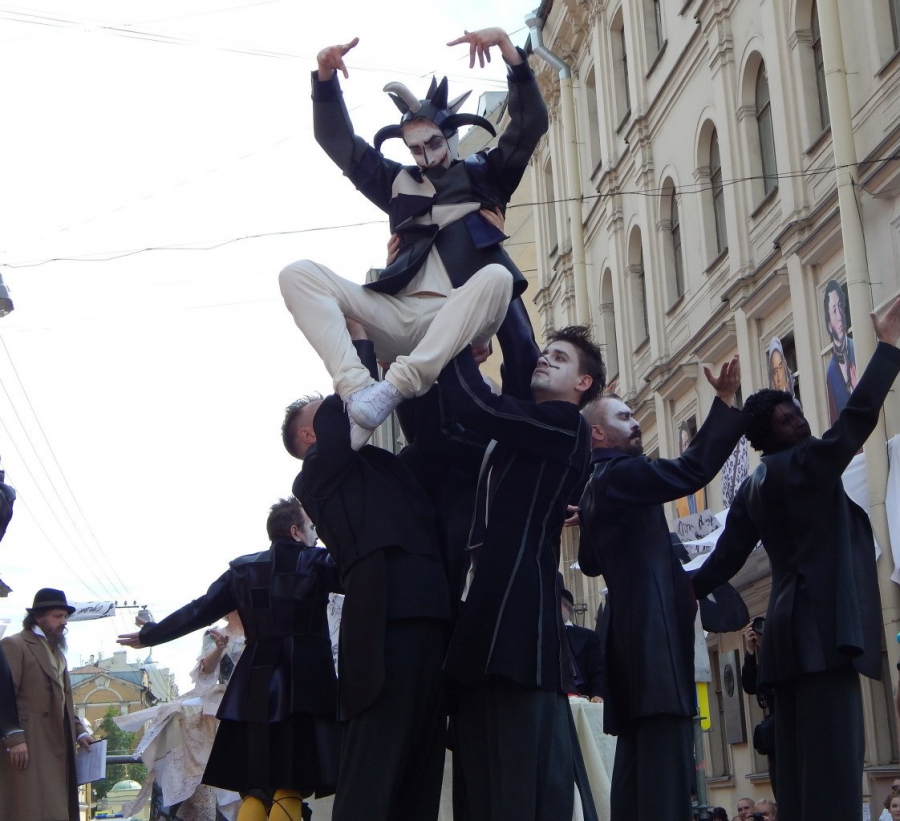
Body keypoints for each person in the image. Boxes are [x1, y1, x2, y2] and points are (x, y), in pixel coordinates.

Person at [278, 26, 546, 443]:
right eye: (415, 149)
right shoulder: (398, 185)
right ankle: (359, 393)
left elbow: (529, 124)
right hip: (403, 317)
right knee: (297, 274)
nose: (427, 157)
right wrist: (325, 77)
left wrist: (507, 48)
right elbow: (338, 142)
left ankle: (394, 388)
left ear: (451, 136)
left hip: (463, 311)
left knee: (498, 277)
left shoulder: (485, 173)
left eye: (434, 144)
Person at [692, 296, 900, 821]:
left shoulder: (753, 486)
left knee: (799, 773)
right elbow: (855, 420)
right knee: (835, 767)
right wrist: (888, 347)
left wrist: (675, 589)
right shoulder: (805, 463)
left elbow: (722, 561)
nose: (803, 421)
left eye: (800, 413)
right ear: (770, 432)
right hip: (822, 635)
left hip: (785, 641)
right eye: (791, 418)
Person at [435, 325, 605, 821]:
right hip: (488, 616)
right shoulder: (527, 427)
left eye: (560, 358)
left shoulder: (565, 423)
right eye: (545, 353)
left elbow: (481, 408)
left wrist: (455, 340)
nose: (545, 360)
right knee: (482, 779)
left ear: (583, 384)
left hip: (518, 624)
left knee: (513, 778)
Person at [284, 340, 451, 821]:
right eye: (326, 411)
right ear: (309, 435)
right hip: (385, 622)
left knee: (421, 766)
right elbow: (343, 410)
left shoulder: (386, 464)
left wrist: (435, 360)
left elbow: (432, 439)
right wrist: (360, 341)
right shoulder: (314, 476)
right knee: (374, 767)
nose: (348, 406)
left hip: (432, 611)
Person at [576, 356, 744, 821]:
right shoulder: (623, 474)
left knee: (635, 782)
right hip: (655, 646)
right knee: (666, 787)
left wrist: (589, 518)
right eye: (624, 416)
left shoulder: (593, 487)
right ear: (597, 433)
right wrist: (724, 402)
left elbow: (589, 564)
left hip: (626, 651)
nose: (635, 422)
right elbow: (692, 470)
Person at [118, 498, 342, 821]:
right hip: (306, 686)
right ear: (295, 532)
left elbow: (198, 610)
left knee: (256, 789)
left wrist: (152, 634)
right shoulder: (318, 562)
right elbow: (363, 573)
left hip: (253, 688)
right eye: (311, 527)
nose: (316, 535)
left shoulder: (242, 570)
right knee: (292, 784)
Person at [0, 588, 94, 821]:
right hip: (29, 743)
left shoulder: (57, 652)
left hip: (57, 743)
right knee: (30, 809)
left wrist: (80, 731)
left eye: (65, 617)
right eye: (57, 616)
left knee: (54, 808)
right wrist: (14, 737)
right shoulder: (15, 645)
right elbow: (3, 694)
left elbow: (63, 701)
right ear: (38, 617)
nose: (64, 622)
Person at [741, 620, 776, 798]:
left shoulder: (782, 651)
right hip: (775, 733)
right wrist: (751, 651)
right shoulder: (763, 658)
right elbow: (750, 685)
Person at [823, 279, 858, 424]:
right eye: (834, 310)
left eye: (840, 306)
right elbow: (835, 422)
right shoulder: (831, 371)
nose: (839, 316)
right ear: (829, 325)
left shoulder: (857, 348)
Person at [560, 589, 604, 702]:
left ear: (566, 606)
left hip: (582, 694)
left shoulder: (589, 637)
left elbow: (597, 670)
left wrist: (597, 694)